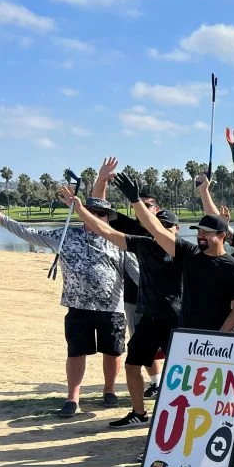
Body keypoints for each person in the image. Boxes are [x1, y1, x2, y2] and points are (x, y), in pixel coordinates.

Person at [0, 196, 132, 417]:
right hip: (76, 305)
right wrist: (2, 219)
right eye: (91, 211)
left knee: (113, 351)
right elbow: (30, 234)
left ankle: (109, 390)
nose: (96, 216)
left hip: (111, 307)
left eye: (101, 213)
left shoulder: (119, 241)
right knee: (75, 352)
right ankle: (73, 398)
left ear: (108, 218)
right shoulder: (65, 235)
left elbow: (138, 270)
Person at [64, 185, 183, 429]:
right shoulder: (145, 244)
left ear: (177, 230)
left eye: (167, 227)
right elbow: (104, 229)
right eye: (157, 226)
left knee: (179, 372)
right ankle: (139, 413)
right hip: (149, 319)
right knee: (132, 365)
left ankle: (178, 417)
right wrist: (79, 209)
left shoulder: (186, 251)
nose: (161, 231)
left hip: (177, 321)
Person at [112, 173, 234, 335]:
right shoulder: (189, 253)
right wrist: (135, 200)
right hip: (184, 335)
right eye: (199, 232)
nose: (201, 236)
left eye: (206, 233)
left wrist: (219, 335)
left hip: (218, 340)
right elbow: (155, 228)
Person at [94, 156, 162, 396]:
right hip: (134, 296)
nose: (140, 208)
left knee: (171, 343)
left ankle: (169, 384)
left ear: (157, 209)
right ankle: (155, 382)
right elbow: (98, 209)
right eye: (137, 203)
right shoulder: (130, 228)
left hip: (166, 298)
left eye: (147, 204)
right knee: (141, 342)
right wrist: (101, 178)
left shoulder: (166, 228)